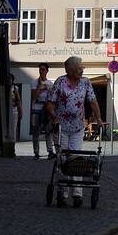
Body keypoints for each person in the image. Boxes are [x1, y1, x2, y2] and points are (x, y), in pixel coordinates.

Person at [47, 57, 102, 207]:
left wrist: (98, 118)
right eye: (79, 68)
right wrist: (54, 117)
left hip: (77, 127)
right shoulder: (60, 82)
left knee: (76, 159)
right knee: (63, 159)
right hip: (61, 127)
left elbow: (92, 101)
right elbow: (50, 103)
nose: (82, 70)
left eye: (82, 67)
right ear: (69, 70)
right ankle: (62, 194)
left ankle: (77, 194)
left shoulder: (85, 82)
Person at [31, 65, 56, 159]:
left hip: (47, 108)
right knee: (36, 131)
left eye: (43, 69)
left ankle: (50, 151)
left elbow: (52, 97)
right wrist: (40, 87)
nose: (41, 71)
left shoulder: (50, 83)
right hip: (36, 108)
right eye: (40, 69)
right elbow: (33, 97)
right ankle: (36, 153)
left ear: (47, 71)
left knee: (48, 131)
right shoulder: (34, 82)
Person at [10, 74, 23, 143]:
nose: (9, 80)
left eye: (10, 79)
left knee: (13, 129)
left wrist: (20, 111)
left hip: (13, 109)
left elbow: (18, 100)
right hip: (6, 110)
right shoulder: (3, 87)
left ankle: (12, 146)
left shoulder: (14, 88)